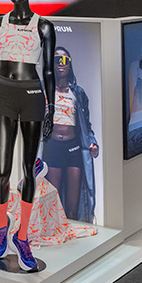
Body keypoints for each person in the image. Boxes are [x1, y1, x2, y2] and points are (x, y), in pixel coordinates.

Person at [0, 0, 55, 273]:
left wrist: (51, 107)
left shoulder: (44, 26)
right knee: (1, 171)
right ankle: (3, 224)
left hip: (32, 96)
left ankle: (22, 235)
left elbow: (48, 70)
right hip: (5, 94)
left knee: (28, 170)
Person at [45, 47, 99, 222]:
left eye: (65, 61)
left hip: (73, 149)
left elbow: (86, 125)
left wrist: (93, 143)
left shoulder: (78, 93)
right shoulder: (46, 90)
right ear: (51, 64)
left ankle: (73, 236)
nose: (61, 64)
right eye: (57, 60)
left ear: (69, 65)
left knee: (73, 209)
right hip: (52, 148)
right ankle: (55, 234)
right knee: (53, 205)